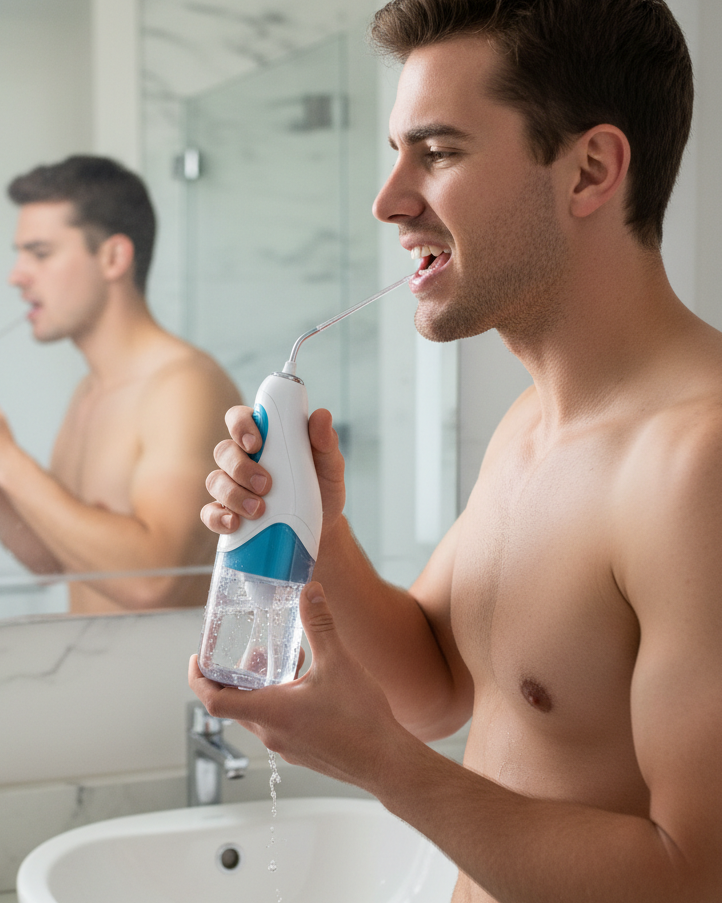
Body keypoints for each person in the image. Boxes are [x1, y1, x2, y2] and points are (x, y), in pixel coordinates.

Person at [188, 0, 722, 900]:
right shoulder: (531, 424)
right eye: (398, 152)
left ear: (590, 169)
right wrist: (318, 525)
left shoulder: (698, 465)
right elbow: (438, 686)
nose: (389, 200)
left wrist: (386, 766)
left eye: (437, 153)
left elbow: (696, 874)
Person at [0, 156, 241, 614]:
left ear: (113, 257)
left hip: (171, 685)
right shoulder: (90, 392)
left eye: (39, 254)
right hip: (100, 680)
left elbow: (153, 582)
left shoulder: (183, 386)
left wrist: (3, 458)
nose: (16, 276)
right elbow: (51, 560)